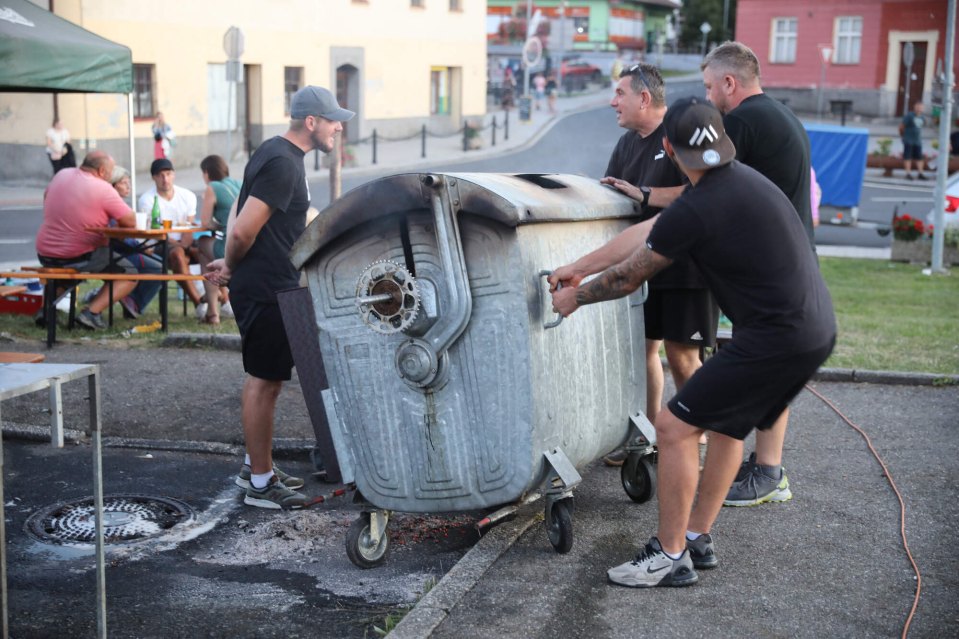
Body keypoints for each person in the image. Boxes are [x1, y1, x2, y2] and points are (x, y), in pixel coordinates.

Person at [549, 97, 836, 588]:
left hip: (775, 336)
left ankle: (668, 555)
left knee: (673, 427)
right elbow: (648, 231)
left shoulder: (702, 205)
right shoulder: (736, 181)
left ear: (669, 147)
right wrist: (580, 266)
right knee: (725, 428)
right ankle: (695, 538)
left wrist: (574, 297)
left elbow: (628, 277)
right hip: (813, 330)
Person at [552, 62, 715, 467]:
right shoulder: (626, 144)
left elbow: (703, 191)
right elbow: (614, 193)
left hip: (686, 268)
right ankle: (646, 434)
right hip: (642, 265)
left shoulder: (678, 132)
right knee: (641, 352)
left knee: (683, 357)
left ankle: (699, 437)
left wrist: (645, 194)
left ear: (644, 98)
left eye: (619, 93)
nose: (612, 102)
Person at [205, 85, 355, 509]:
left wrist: (230, 263)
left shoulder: (274, 151)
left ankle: (257, 466)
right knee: (264, 381)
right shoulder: (284, 164)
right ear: (311, 122)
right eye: (333, 121)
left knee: (267, 379)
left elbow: (239, 212)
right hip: (267, 287)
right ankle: (260, 484)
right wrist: (230, 264)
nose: (338, 128)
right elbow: (242, 230)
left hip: (269, 284)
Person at [700, 40, 815, 506]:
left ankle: (769, 473)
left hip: (772, 268)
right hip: (789, 261)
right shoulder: (782, 114)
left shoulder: (742, 122)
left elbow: (705, 189)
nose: (708, 97)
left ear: (730, 82)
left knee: (765, 369)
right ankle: (767, 467)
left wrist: (647, 195)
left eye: (710, 87)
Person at [35, 150, 139, 329]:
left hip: (45, 253)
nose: (111, 175)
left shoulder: (62, 175)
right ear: (101, 171)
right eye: (111, 171)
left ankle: (46, 312)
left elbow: (46, 197)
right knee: (129, 274)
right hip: (79, 255)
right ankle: (91, 313)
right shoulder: (102, 188)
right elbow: (130, 221)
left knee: (65, 273)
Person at [137, 158, 205, 317]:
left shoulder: (187, 196)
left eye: (168, 174)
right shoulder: (147, 200)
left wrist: (185, 245)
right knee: (178, 255)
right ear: (154, 178)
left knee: (209, 250)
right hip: (159, 244)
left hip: (185, 243)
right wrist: (183, 247)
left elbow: (189, 226)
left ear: (173, 174)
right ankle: (200, 303)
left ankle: (223, 300)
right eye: (160, 175)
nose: (165, 179)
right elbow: (158, 233)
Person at [108, 166, 164, 318]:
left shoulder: (120, 204)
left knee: (160, 262)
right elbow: (118, 236)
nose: (128, 187)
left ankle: (130, 300)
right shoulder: (113, 206)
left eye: (129, 183)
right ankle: (134, 302)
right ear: (113, 185)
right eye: (124, 183)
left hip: (126, 249)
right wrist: (139, 247)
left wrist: (141, 246)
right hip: (119, 252)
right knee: (160, 268)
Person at [197, 154, 240, 324]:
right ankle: (215, 308)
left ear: (207, 172)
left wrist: (220, 226)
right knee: (207, 255)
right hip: (250, 244)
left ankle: (213, 313)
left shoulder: (212, 187)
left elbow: (205, 222)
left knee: (202, 244)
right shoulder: (239, 183)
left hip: (231, 247)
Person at [900, 101, 928, 180]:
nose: (919, 109)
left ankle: (920, 173)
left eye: (921, 107)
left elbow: (922, 125)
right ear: (914, 107)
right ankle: (908, 173)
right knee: (907, 156)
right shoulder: (909, 116)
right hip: (908, 140)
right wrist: (903, 136)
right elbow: (901, 126)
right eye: (918, 107)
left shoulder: (922, 117)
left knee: (919, 157)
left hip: (917, 140)